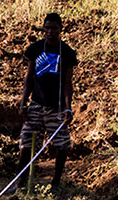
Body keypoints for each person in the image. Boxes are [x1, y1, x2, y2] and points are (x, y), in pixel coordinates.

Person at [18, 12, 78, 190]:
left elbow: (68, 84)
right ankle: (21, 183)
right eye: (48, 27)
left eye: (54, 28)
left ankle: (55, 183)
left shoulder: (66, 53)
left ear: (60, 29)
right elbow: (28, 78)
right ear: (44, 28)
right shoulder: (35, 49)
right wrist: (23, 103)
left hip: (57, 108)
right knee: (26, 144)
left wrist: (68, 109)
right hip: (36, 104)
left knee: (61, 146)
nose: (50, 31)